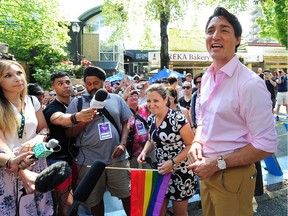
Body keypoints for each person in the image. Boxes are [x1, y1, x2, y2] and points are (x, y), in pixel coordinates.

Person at [187, 7, 278, 216]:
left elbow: (267, 144)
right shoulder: (208, 76)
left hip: (232, 176)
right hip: (206, 172)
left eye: (224, 30)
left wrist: (218, 163)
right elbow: (203, 120)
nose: (215, 36)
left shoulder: (249, 84)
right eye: (210, 30)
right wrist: (196, 142)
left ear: (238, 39)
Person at [65, 66, 132, 216]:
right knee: (94, 200)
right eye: (88, 84)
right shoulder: (78, 103)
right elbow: (69, 133)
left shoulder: (116, 99)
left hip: (117, 158)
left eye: (95, 83)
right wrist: (84, 121)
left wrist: (122, 143)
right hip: (88, 160)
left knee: (126, 194)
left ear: (103, 82)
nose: (92, 87)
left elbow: (126, 122)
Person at [0, 60, 53, 215]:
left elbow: (44, 128)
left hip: (37, 160)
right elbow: (1, 143)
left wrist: (38, 138)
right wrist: (21, 172)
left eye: (19, 73)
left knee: (42, 208)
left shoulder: (32, 100)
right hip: (10, 165)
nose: (17, 78)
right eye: (8, 75)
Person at [137, 84, 197, 216]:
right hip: (161, 171)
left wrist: (172, 162)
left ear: (166, 100)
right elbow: (150, 140)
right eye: (148, 101)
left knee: (180, 213)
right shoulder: (151, 118)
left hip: (180, 172)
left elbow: (190, 145)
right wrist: (144, 152)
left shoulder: (178, 119)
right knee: (157, 211)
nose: (151, 105)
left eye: (155, 100)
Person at [43, 71, 96, 215]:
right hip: (57, 160)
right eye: (60, 83)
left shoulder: (77, 103)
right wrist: (77, 117)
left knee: (76, 199)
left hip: (75, 158)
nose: (65, 86)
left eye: (67, 82)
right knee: (66, 202)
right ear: (53, 88)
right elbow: (59, 118)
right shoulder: (52, 108)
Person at [122, 87, 152, 168]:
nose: (134, 97)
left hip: (147, 147)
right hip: (132, 149)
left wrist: (147, 87)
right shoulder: (123, 111)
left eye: (136, 95)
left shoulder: (144, 108)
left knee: (148, 171)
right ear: (126, 99)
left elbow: (152, 99)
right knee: (134, 173)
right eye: (131, 96)